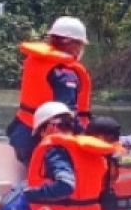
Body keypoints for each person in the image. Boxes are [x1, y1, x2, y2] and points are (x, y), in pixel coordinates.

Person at [6, 16, 93, 165]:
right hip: (40, 139)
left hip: (20, 132)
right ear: (69, 43)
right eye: (79, 44)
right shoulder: (65, 74)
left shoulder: (36, 61)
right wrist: (88, 137)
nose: (80, 49)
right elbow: (66, 116)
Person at [20, 101, 114, 210]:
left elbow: (66, 185)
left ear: (48, 127)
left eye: (40, 132)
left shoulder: (55, 150)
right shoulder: (88, 150)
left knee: (19, 203)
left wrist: (31, 194)